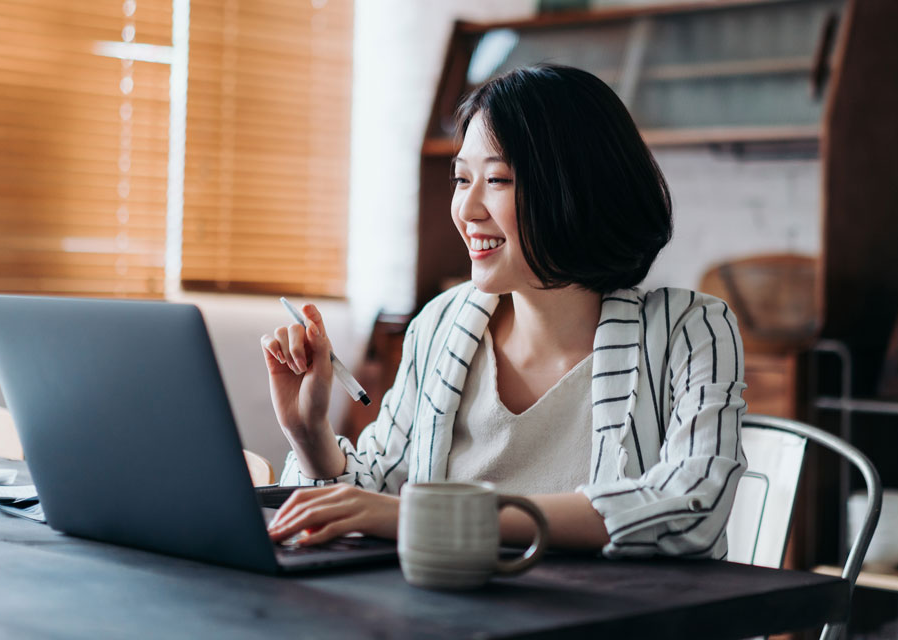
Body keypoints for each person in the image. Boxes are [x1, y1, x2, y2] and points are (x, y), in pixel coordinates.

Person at [261, 64, 747, 558]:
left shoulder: (690, 330)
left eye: (496, 179)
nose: (467, 209)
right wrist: (310, 433)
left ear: (575, 190)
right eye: (461, 178)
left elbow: (692, 505)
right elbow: (379, 495)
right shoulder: (442, 324)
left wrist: (428, 515)